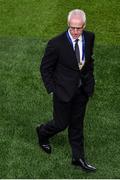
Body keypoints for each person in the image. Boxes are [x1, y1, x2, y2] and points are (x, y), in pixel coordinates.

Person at [36, 9, 96, 172]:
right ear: (68, 25)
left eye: (79, 28)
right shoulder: (56, 43)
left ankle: (78, 158)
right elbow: (45, 68)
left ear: (84, 25)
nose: (75, 32)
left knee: (77, 125)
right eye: (72, 28)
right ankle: (42, 132)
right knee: (61, 124)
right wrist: (52, 88)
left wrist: (89, 81)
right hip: (63, 91)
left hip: (82, 91)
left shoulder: (90, 37)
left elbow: (88, 61)